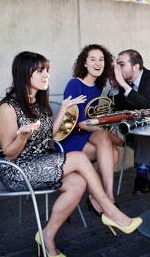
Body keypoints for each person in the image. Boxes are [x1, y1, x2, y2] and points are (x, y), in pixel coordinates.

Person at [0, 51, 142, 257]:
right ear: (23, 74)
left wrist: (64, 108)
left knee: (79, 183)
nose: (46, 75)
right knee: (81, 158)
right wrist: (22, 137)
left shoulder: (37, 102)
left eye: (47, 70)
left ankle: (46, 236)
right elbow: (10, 155)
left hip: (40, 162)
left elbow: (51, 135)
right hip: (18, 170)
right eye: (40, 71)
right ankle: (110, 211)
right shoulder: (7, 108)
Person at [59, 44, 123, 215]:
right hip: (70, 138)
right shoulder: (74, 84)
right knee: (108, 143)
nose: (97, 63)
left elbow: (93, 119)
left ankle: (100, 196)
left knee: (112, 150)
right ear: (84, 64)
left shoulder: (97, 87)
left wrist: (109, 131)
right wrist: (111, 136)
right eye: (92, 59)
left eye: (101, 59)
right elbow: (80, 123)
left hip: (86, 135)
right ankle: (106, 197)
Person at [109, 49, 150, 214]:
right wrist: (115, 88)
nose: (118, 70)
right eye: (117, 66)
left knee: (146, 130)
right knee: (143, 131)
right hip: (135, 135)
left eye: (122, 65)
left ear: (136, 66)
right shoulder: (122, 84)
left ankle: (142, 173)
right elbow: (120, 112)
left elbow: (149, 108)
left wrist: (124, 85)